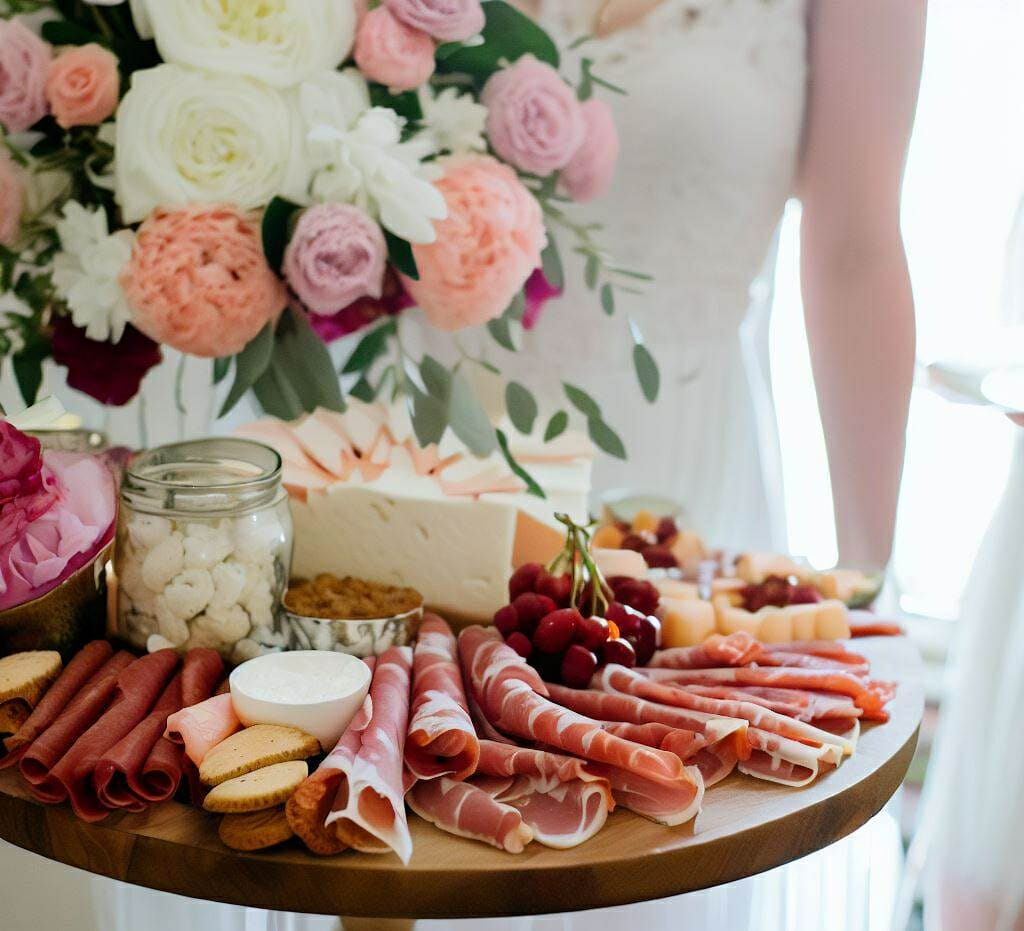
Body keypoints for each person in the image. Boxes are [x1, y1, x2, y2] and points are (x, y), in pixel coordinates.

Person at [92, 1, 925, 929]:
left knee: (652, 844)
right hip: (400, 466)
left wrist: (867, 571)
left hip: (680, 482)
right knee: (360, 839)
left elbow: (855, 248)